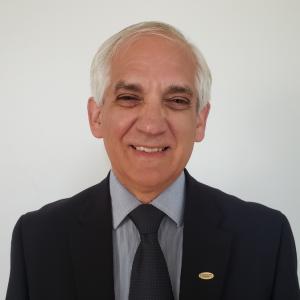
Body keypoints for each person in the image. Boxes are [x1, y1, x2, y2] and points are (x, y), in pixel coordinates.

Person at [6, 21, 299, 300]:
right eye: (129, 97)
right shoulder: (37, 240)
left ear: (200, 121)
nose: (151, 125)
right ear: (96, 116)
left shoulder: (265, 239)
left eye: (177, 101)